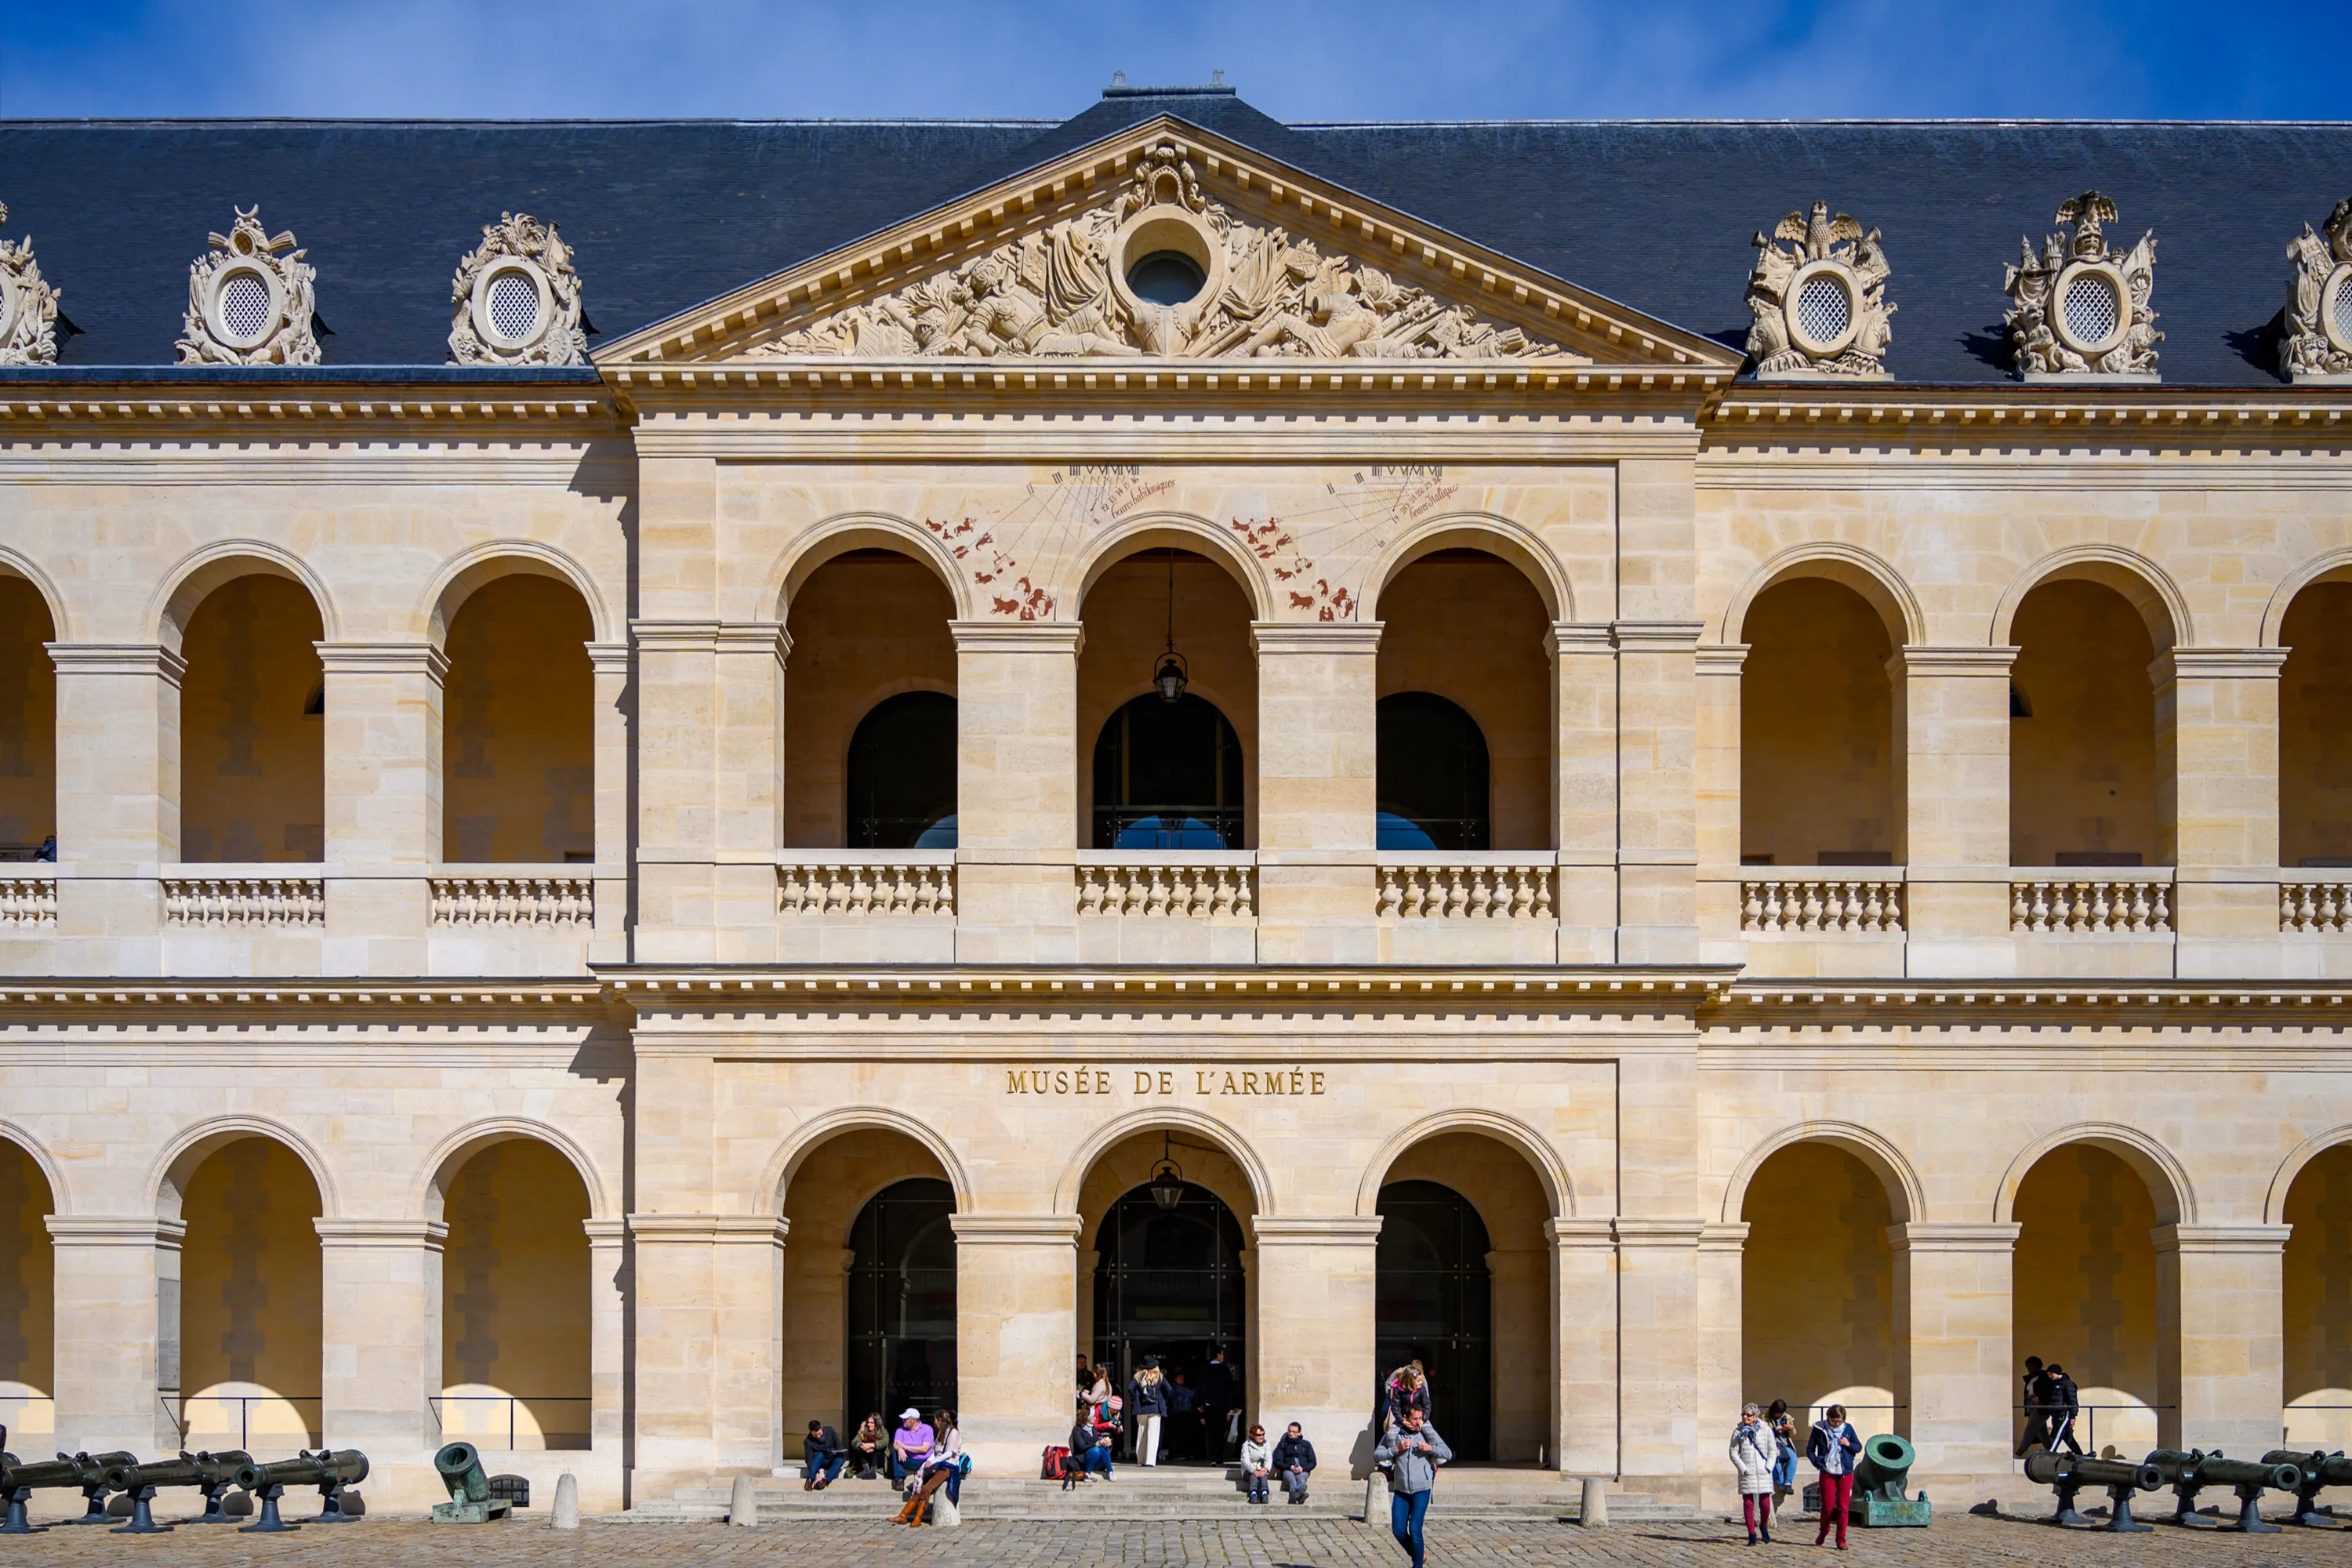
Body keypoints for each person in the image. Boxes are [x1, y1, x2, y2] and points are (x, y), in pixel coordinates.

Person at [1373, 1405, 1452, 1568]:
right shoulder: (1395, 1434)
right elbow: (1377, 1454)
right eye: (1415, 1418)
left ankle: (1417, 1565)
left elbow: (1448, 1453)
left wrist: (1430, 1448)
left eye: (1421, 1418)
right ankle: (1419, 1555)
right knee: (1398, 1530)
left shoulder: (1426, 1433)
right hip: (1401, 1491)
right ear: (1405, 1418)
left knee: (1415, 1529)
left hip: (1422, 1490)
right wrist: (1396, 1449)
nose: (1418, 1422)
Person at [894, 1407, 964, 1526]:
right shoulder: (941, 1434)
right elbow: (935, 1452)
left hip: (947, 1467)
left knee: (927, 1489)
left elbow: (949, 1453)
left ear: (940, 1420)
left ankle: (918, 1518)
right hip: (937, 1465)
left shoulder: (953, 1433)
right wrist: (929, 1461)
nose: (935, 1423)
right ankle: (903, 1516)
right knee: (918, 1489)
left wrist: (934, 1461)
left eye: (936, 1420)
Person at [1806, 1403, 1863, 1550]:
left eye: (1839, 1421)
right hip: (1827, 1471)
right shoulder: (1820, 1429)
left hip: (1845, 1472)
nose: (1837, 1424)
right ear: (1828, 1418)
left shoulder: (1848, 1428)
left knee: (1843, 1507)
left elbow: (1858, 1447)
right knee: (1827, 1506)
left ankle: (1841, 1540)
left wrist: (1848, 1444)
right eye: (1834, 1421)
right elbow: (1810, 1449)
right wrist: (1817, 1462)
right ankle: (1824, 1531)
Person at [1730, 1403, 1777, 1544]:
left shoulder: (1766, 1430)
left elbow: (1773, 1450)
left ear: (1756, 1417)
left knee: (1765, 1503)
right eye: (1743, 1415)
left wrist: (1769, 1467)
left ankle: (1764, 1526)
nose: (1745, 1417)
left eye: (1749, 1415)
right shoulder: (1738, 1431)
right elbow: (1733, 1452)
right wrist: (1743, 1468)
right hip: (1748, 1471)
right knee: (1748, 1502)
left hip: (1763, 1471)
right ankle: (1751, 1533)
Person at [1196, 1348, 1236, 1461]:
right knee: (1220, 1431)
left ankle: (1211, 1456)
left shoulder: (1204, 1370)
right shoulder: (1225, 1370)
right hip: (1222, 1406)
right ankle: (1219, 1456)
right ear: (1218, 1355)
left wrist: (1199, 1404)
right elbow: (1229, 1390)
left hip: (1208, 1405)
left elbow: (1199, 1388)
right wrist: (1230, 1407)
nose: (1223, 1357)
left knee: (1210, 1432)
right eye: (1222, 1354)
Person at [1130, 1356, 1169, 1466]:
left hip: (1142, 1409)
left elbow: (1130, 1388)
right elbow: (1169, 1389)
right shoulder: (1159, 1376)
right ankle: (1150, 1461)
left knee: (1142, 1434)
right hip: (1155, 1409)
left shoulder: (1138, 1376)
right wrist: (1162, 1399)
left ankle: (1141, 1459)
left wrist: (1136, 1398)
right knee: (1153, 1435)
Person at [1272, 1421, 1317, 1504]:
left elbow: (1313, 1462)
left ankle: (1295, 1497)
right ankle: (1300, 1496)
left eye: (1294, 1432)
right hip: (1288, 1470)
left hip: (1302, 1471)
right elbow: (1277, 1461)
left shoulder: (1306, 1444)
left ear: (1299, 1433)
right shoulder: (1283, 1444)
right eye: (1289, 1431)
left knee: (1301, 1480)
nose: (1291, 1434)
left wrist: (1303, 1469)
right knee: (1292, 1482)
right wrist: (1290, 1467)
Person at [1766, 1398, 1798, 1512]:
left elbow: (1793, 1434)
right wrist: (1774, 1430)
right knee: (1777, 1462)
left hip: (1786, 1445)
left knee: (1793, 1458)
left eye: (1781, 1413)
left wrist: (1790, 1428)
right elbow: (1764, 1433)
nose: (1780, 1415)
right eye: (1778, 1413)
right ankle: (1781, 1482)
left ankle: (1788, 1483)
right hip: (1773, 1446)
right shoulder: (1766, 1419)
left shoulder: (1788, 1418)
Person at [890, 1406, 935, 1488]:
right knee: (896, 1451)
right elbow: (896, 1444)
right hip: (908, 1459)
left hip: (925, 1461)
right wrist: (899, 1449)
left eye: (905, 1419)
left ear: (913, 1420)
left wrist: (904, 1446)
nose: (903, 1421)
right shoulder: (900, 1430)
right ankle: (899, 1480)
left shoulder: (927, 1429)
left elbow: (924, 1449)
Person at [2045, 1363, 2082, 1455]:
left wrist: (2073, 1416)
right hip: (2056, 1414)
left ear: (2057, 1373)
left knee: (2056, 1435)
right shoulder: (2054, 1384)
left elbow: (2073, 1401)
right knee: (2067, 1437)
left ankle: (2049, 1455)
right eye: (2048, 1374)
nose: (2050, 1376)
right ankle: (2080, 1455)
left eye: (2051, 1374)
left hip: (2064, 1414)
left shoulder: (2068, 1384)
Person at [2016, 1356, 2051, 1454]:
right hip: (2031, 1408)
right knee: (2042, 1433)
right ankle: (2052, 1451)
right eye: (2028, 1367)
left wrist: (2041, 1402)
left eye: (2032, 1367)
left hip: (2040, 1408)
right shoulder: (2030, 1379)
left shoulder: (2043, 1378)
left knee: (2029, 1431)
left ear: (2037, 1366)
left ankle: (2019, 1453)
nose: (2029, 1369)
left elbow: (2046, 1393)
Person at [801, 1418, 846, 1490]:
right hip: (820, 1461)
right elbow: (809, 1460)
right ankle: (810, 1481)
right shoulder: (808, 1441)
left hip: (832, 1458)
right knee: (819, 1455)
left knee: (840, 1459)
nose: (818, 1436)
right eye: (815, 1435)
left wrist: (839, 1453)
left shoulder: (830, 1431)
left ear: (821, 1427)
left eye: (819, 1433)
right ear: (811, 1432)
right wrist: (816, 1475)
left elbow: (838, 1445)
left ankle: (824, 1481)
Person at [1166, 1368, 1197, 1461]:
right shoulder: (1177, 1389)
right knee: (1179, 1434)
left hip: (1176, 1414)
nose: (1182, 1379)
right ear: (1177, 1378)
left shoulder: (1172, 1388)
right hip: (1179, 1413)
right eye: (1181, 1377)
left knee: (1176, 1434)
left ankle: (1177, 1453)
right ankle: (1178, 1453)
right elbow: (1192, 1393)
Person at [848, 1412, 890, 1480]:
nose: (869, 1424)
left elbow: (885, 1441)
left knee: (876, 1450)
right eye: (868, 1422)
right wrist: (862, 1446)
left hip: (879, 1458)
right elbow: (855, 1441)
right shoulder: (864, 1430)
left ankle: (873, 1472)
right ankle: (866, 1471)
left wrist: (872, 1445)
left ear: (877, 1423)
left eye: (872, 1423)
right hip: (866, 1456)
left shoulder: (883, 1431)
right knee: (861, 1450)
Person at [1240, 1422, 1273, 1503]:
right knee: (1254, 1475)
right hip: (1248, 1470)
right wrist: (1253, 1470)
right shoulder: (1246, 1445)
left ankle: (1264, 1493)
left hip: (1261, 1468)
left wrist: (1266, 1468)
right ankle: (1253, 1494)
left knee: (1263, 1474)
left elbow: (1268, 1458)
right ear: (1252, 1435)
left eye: (1263, 1434)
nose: (1262, 1437)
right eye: (1259, 1435)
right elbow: (1245, 1461)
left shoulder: (1266, 1444)